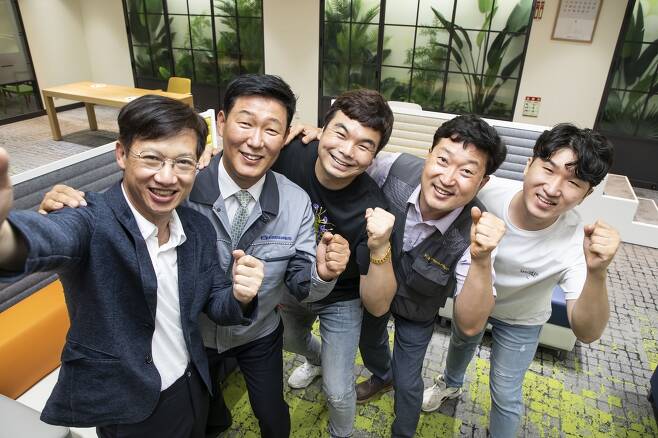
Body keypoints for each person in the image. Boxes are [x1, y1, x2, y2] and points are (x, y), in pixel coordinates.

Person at [37, 74, 351, 438]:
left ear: (284, 137)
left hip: (258, 331)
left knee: (271, 411)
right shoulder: (178, 186)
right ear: (221, 122)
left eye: (271, 129)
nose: (255, 141)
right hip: (193, 339)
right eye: (245, 123)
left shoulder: (295, 201)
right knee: (207, 414)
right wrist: (65, 208)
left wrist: (323, 273)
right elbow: (116, 212)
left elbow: (301, 285)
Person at [0, 95, 262, 437]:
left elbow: (216, 303)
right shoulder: (89, 219)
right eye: (151, 158)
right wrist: (4, 235)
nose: (167, 177)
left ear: (198, 164)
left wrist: (241, 296)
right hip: (130, 406)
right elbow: (45, 238)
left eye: (183, 162)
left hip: (193, 383)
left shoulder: (196, 229)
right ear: (122, 154)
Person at [288, 114, 508, 437]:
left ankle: (402, 430)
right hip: (373, 291)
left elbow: (471, 326)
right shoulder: (393, 168)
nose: (448, 178)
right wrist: (318, 136)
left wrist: (481, 258)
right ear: (428, 154)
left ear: (482, 182)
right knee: (369, 342)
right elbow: (350, 156)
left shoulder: (476, 231)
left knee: (408, 381)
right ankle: (382, 375)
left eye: (466, 172)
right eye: (443, 160)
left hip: (417, 310)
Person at [420, 123, 620, 437]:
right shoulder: (486, 193)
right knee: (459, 347)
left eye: (573, 182)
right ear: (528, 164)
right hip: (473, 301)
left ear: (586, 194)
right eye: (548, 169)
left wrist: (598, 272)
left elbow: (588, 332)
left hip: (522, 319)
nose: (553, 188)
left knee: (505, 393)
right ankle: (450, 384)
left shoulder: (575, 241)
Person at [272, 89, 397, 438]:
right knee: (288, 340)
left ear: (373, 157)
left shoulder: (372, 207)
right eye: (340, 133)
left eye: (364, 145)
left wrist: (380, 245)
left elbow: (379, 303)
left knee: (338, 391)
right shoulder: (290, 152)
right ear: (321, 129)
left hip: (341, 298)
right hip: (293, 280)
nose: (346, 151)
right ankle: (316, 361)